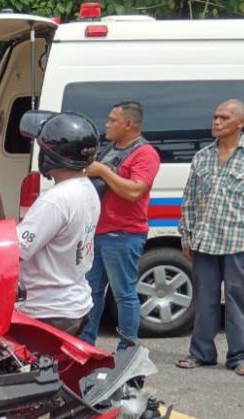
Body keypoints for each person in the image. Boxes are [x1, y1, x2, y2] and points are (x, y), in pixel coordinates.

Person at [0, 112, 101, 335]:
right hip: (72, 304)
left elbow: (13, 249)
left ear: (50, 156)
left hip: (47, 311)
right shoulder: (86, 188)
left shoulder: (56, 200)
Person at [176, 99, 244, 376]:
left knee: (238, 301)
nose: (216, 122)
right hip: (205, 242)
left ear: (240, 123)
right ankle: (201, 353)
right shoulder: (202, 156)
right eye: (215, 116)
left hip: (240, 243)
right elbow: (190, 199)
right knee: (205, 300)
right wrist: (187, 236)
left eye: (224, 118)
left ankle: (241, 357)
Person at [80, 101, 160, 348]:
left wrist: (103, 171)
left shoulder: (145, 153)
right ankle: (85, 343)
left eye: (112, 120)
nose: (107, 124)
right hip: (97, 233)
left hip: (124, 235)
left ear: (129, 123)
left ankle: (127, 349)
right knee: (90, 292)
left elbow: (135, 191)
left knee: (123, 294)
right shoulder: (109, 149)